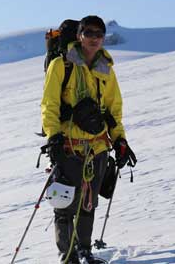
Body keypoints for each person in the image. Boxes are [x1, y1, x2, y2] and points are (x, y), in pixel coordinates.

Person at [41, 15, 136, 264]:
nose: (94, 38)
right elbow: (49, 105)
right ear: (80, 35)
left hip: (98, 148)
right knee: (65, 205)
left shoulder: (106, 68)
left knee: (88, 204)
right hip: (69, 146)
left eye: (99, 34)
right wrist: (53, 138)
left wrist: (120, 141)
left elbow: (113, 110)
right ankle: (69, 257)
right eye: (89, 33)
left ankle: (84, 252)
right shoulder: (62, 65)